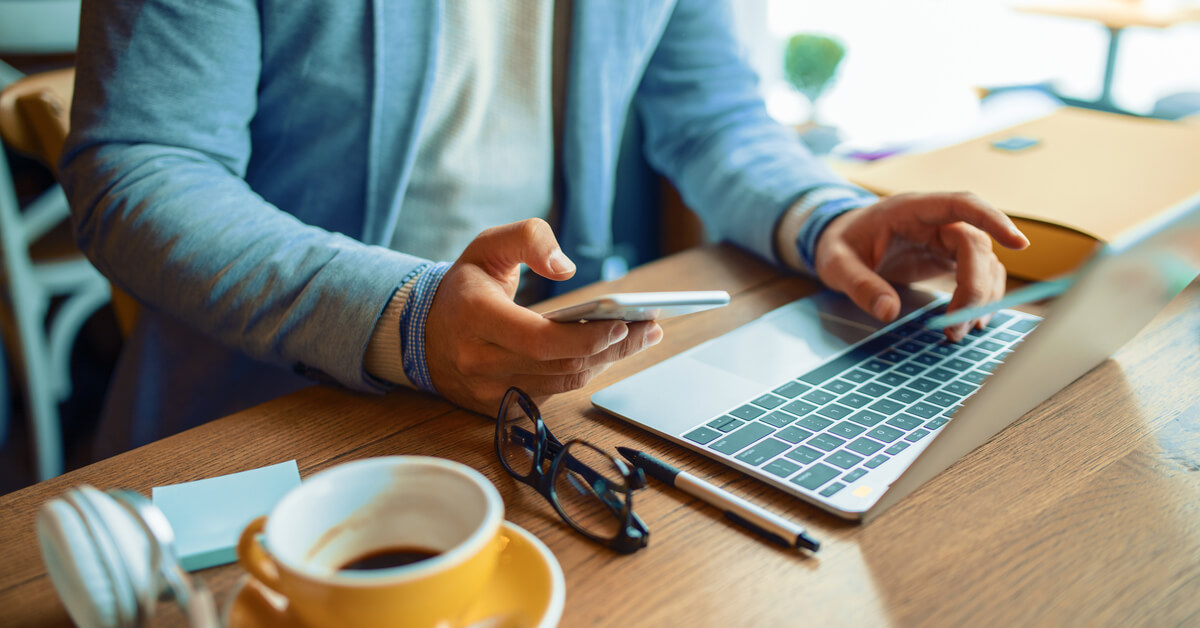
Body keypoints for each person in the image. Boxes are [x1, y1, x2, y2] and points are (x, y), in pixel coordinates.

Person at [60, 0, 1027, 458]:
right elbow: (142, 162)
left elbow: (711, 115)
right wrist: (401, 316)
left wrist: (829, 216)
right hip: (273, 410)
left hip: (560, 394)